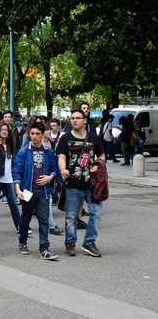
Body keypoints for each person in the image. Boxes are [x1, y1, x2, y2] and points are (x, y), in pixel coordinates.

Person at [57, 108, 105, 257]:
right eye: (72, 118)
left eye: (78, 118)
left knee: (96, 213)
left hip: (91, 183)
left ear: (85, 121)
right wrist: (62, 169)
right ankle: (70, 243)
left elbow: (101, 154)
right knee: (71, 216)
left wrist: (98, 164)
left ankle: (89, 242)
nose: (74, 120)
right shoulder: (65, 138)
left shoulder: (93, 137)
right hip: (73, 183)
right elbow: (61, 156)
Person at [13, 122, 60, 260]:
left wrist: (50, 177)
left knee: (44, 220)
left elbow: (55, 168)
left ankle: (44, 248)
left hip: (43, 192)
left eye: (37, 134)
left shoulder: (48, 151)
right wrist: (18, 190)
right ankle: (22, 242)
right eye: (32, 133)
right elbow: (16, 171)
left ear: (42, 134)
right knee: (25, 219)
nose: (34, 137)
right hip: (28, 191)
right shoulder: (23, 151)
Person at [0, 121, 23, 234]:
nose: (4, 131)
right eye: (2, 129)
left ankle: (19, 227)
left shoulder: (10, 145)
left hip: (8, 179)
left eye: (6, 130)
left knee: (13, 203)